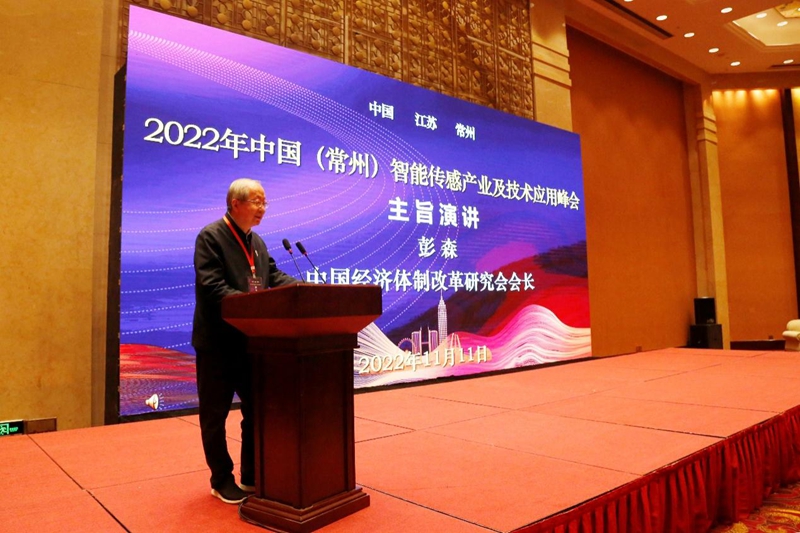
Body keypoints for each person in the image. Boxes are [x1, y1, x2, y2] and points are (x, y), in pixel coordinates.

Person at [192, 178, 298, 504]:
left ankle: (252, 474)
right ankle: (221, 479)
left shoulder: (257, 242)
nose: (262, 208)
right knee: (215, 416)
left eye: (264, 202)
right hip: (218, 343)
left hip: (250, 342)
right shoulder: (211, 237)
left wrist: (302, 289)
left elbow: (272, 276)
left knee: (256, 411)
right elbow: (212, 286)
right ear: (235, 203)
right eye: (256, 201)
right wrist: (252, 307)